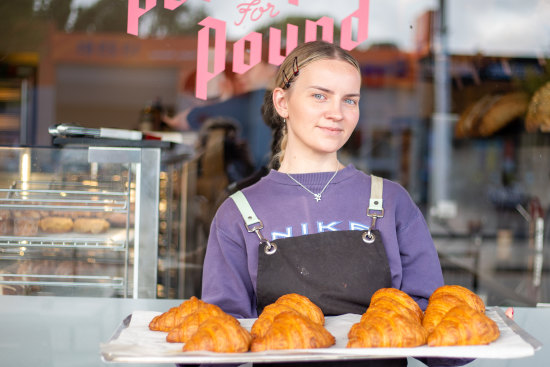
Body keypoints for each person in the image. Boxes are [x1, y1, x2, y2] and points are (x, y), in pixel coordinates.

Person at [200, 41, 508, 366]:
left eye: (350, 100)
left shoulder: (390, 201)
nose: (337, 113)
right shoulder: (239, 212)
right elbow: (221, 339)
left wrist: (477, 333)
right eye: (320, 95)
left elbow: (435, 333)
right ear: (283, 102)